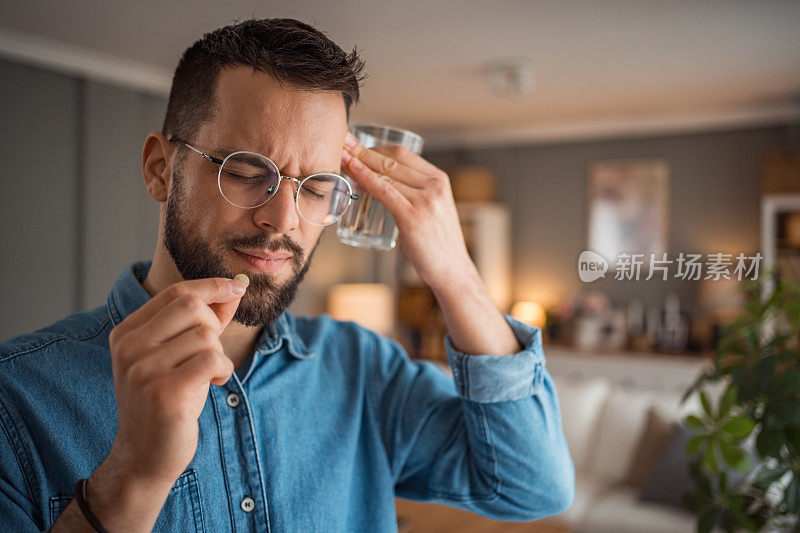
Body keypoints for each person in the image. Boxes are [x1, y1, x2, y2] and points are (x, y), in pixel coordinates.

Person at [0, 18, 574, 532]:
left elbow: (534, 486)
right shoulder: (17, 401)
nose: (284, 219)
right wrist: (133, 478)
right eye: (248, 171)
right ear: (159, 169)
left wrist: (454, 274)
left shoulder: (364, 371)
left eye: (317, 187)